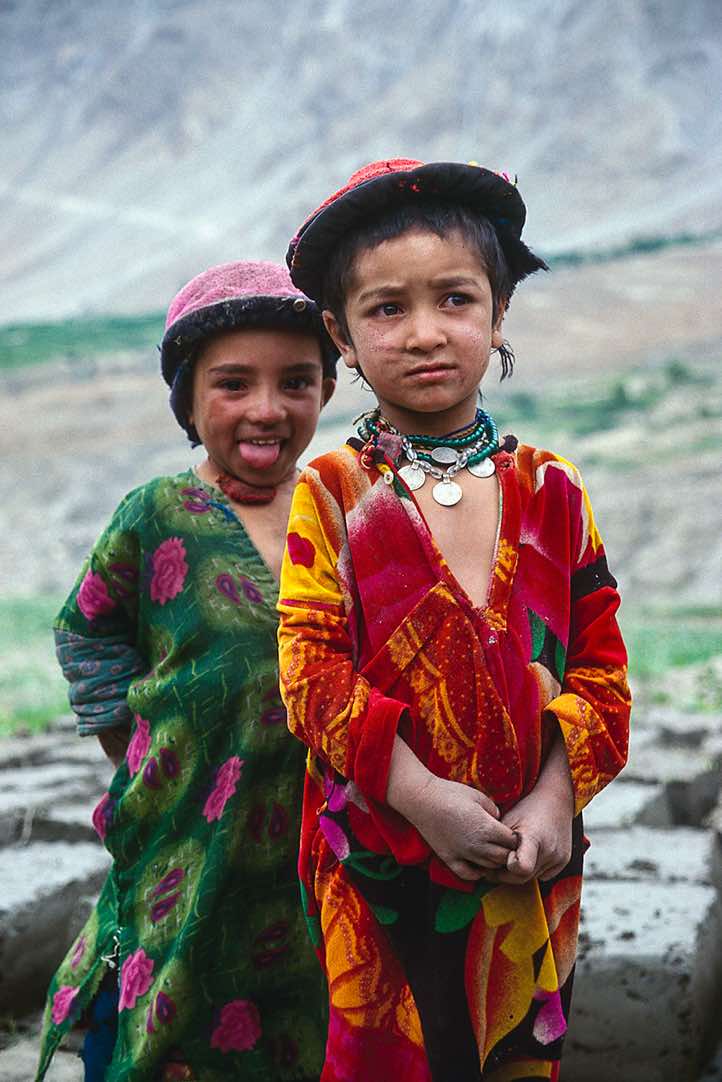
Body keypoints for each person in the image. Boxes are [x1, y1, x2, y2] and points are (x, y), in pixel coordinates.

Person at [277, 159, 631, 1082]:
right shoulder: (333, 490)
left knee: (511, 1055)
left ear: (499, 312)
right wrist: (423, 797)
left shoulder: (553, 490)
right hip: (382, 859)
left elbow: (604, 670)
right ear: (339, 334)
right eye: (386, 308)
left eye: (456, 299)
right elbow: (309, 675)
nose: (426, 333)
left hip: (526, 862)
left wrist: (555, 797)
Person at [36, 261, 337, 1082]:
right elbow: (86, 630)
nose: (267, 409)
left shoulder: (340, 510)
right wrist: (134, 751)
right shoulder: (156, 514)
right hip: (185, 825)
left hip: (316, 835)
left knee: (304, 1014)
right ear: (189, 398)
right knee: (171, 1011)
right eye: (233, 384)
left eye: (297, 382)